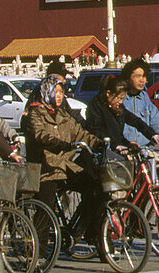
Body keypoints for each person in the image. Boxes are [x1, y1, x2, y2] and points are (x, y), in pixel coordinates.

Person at [25, 77, 103, 242]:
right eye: (56, 92)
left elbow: (80, 133)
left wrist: (97, 143)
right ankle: (38, 251)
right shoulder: (34, 113)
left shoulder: (63, 114)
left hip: (65, 165)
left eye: (61, 92)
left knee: (95, 188)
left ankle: (79, 230)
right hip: (46, 167)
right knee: (46, 206)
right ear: (47, 92)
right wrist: (60, 144)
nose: (59, 96)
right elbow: (40, 135)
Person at [85, 75, 158, 147]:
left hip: (117, 147)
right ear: (108, 93)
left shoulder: (118, 107)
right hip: (102, 150)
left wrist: (152, 134)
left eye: (122, 99)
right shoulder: (95, 107)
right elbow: (96, 133)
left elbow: (135, 121)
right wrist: (116, 146)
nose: (120, 102)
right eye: (119, 98)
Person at [120, 58, 159, 146]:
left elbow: (156, 122)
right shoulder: (119, 98)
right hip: (126, 148)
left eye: (144, 76)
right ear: (128, 78)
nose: (142, 80)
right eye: (138, 76)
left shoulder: (145, 97)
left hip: (145, 149)